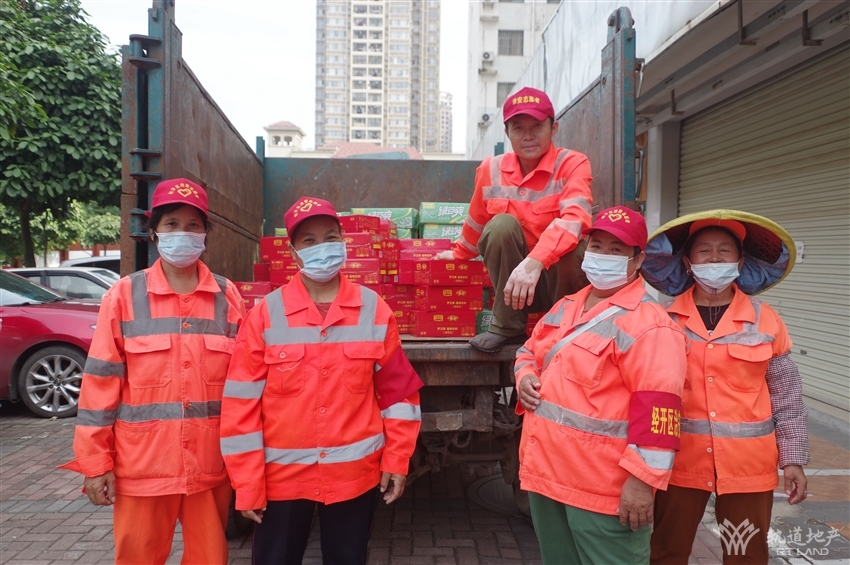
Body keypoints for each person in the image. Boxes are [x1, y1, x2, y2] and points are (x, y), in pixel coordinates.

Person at [220, 197, 423, 565]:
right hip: (281, 480)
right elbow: (240, 407)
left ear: (343, 243)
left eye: (330, 237)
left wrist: (397, 459)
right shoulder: (265, 315)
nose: (322, 248)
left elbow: (399, 396)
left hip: (353, 477)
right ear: (293, 252)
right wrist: (246, 483)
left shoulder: (374, 310)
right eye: (309, 240)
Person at [59, 178, 245, 565]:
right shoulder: (124, 296)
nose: (183, 234)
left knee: (211, 559)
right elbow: (99, 386)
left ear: (205, 234)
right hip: (143, 467)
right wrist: (95, 464)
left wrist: (246, 464)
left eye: (193, 225)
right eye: (172, 224)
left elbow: (245, 387)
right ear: (154, 231)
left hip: (210, 465)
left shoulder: (228, 297)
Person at [515, 207, 688, 565]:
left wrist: (642, 483)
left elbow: (660, 416)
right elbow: (529, 351)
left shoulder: (651, 326)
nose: (602, 256)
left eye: (616, 250)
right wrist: (524, 375)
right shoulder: (567, 306)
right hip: (546, 475)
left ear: (638, 260)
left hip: (602, 491)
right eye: (596, 247)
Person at [642, 210, 809, 564]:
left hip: (748, 467)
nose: (714, 259)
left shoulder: (766, 319)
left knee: (744, 555)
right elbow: (645, 391)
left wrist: (793, 459)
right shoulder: (662, 318)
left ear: (740, 262)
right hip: (678, 463)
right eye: (704, 251)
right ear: (687, 263)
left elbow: (787, 397)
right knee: (666, 552)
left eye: (724, 251)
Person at [434, 86, 592, 353]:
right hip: (513, 287)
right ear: (507, 133)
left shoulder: (573, 163)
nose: (528, 136)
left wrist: (535, 262)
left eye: (537, 126)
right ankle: (508, 328)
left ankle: (564, 326)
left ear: (553, 128)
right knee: (500, 225)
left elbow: (576, 221)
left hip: (558, 282)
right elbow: (477, 222)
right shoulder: (490, 169)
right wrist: (458, 254)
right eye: (518, 128)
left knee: (575, 246)